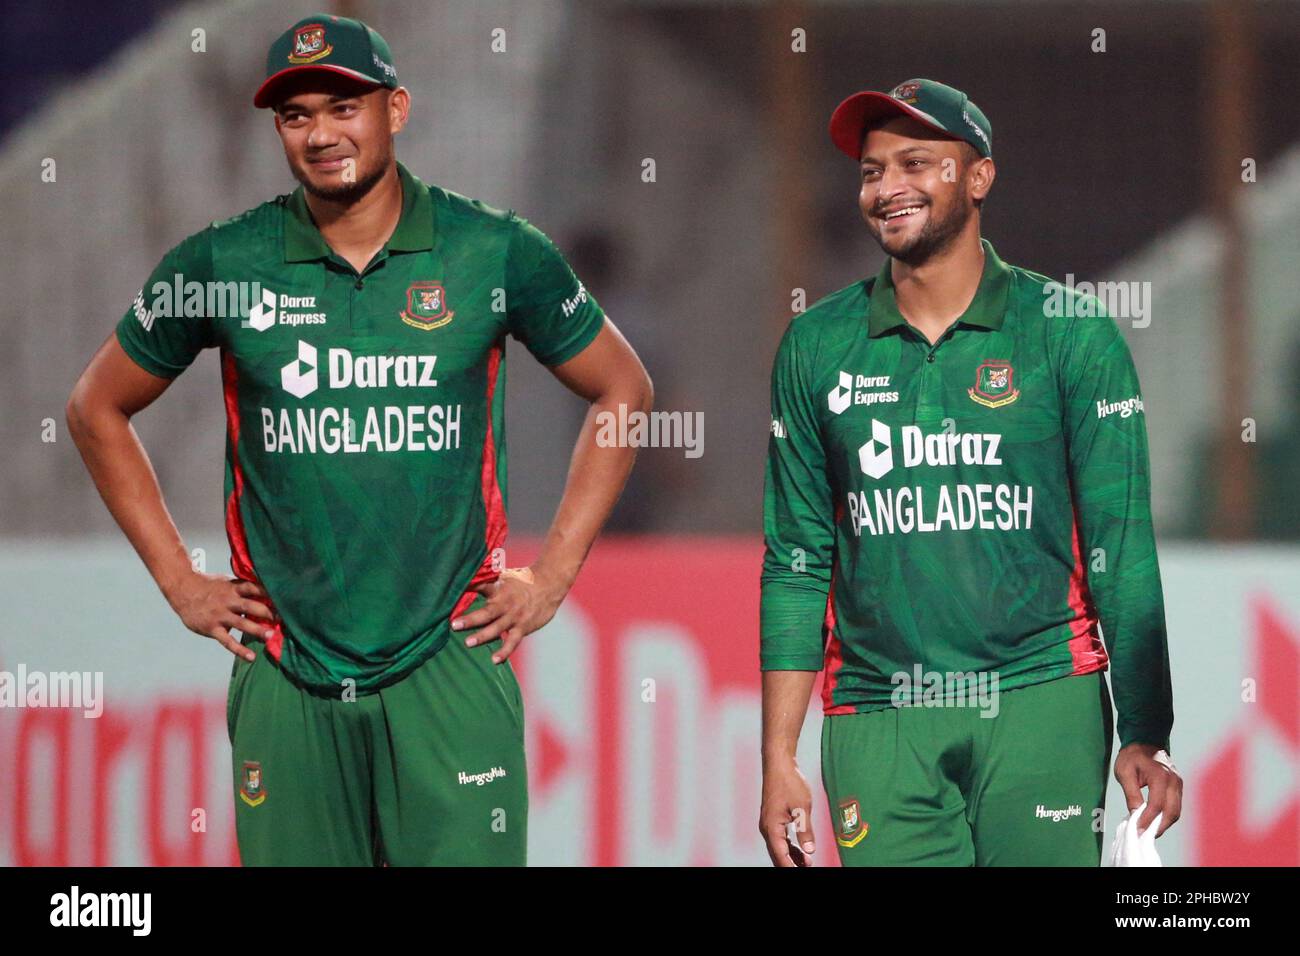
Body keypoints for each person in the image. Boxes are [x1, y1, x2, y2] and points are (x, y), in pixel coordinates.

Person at [66, 14, 652, 866]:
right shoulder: (224, 264)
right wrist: (179, 581)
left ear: (396, 109)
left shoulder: (492, 250)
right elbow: (94, 409)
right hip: (286, 667)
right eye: (296, 115)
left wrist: (554, 572)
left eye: (344, 106)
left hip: (449, 658)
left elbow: (622, 388)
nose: (321, 133)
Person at [758, 78, 1180, 866]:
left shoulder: (1070, 334)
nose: (888, 188)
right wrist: (777, 756)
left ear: (977, 176)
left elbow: (1119, 546)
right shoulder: (815, 345)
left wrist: (1146, 729)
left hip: (1041, 697)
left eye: (915, 163)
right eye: (871, 171)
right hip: (878, 714)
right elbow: (795, 560)